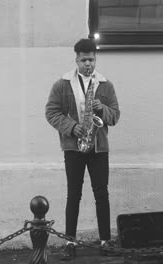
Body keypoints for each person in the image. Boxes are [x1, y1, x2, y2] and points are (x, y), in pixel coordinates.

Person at [45, 38, 120, 260]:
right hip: (73, 147)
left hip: (98, 148)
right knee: (73, 195)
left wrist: (102, 108)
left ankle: (105, 240)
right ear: (76, 59)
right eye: (84, 60)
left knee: (101, 194)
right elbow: (51, 112)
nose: (88, 64)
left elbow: (115, 116)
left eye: (92, 60)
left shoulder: (105, 85)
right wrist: (72, 127)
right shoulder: (62, 84)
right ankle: (70, 242)